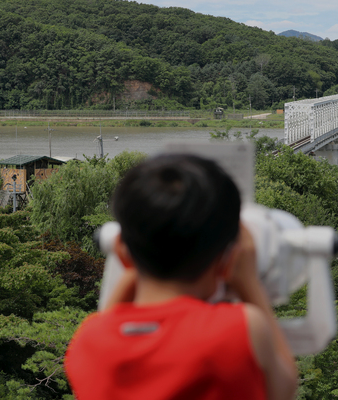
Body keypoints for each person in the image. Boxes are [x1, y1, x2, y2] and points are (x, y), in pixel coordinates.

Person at [65, 154, 297, 400]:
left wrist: (134, 258)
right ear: (228, 259)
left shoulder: (87, 342)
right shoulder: (239, 330)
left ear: (121, 250)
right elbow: (284, 388)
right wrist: (248, 281)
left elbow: (107, 325)